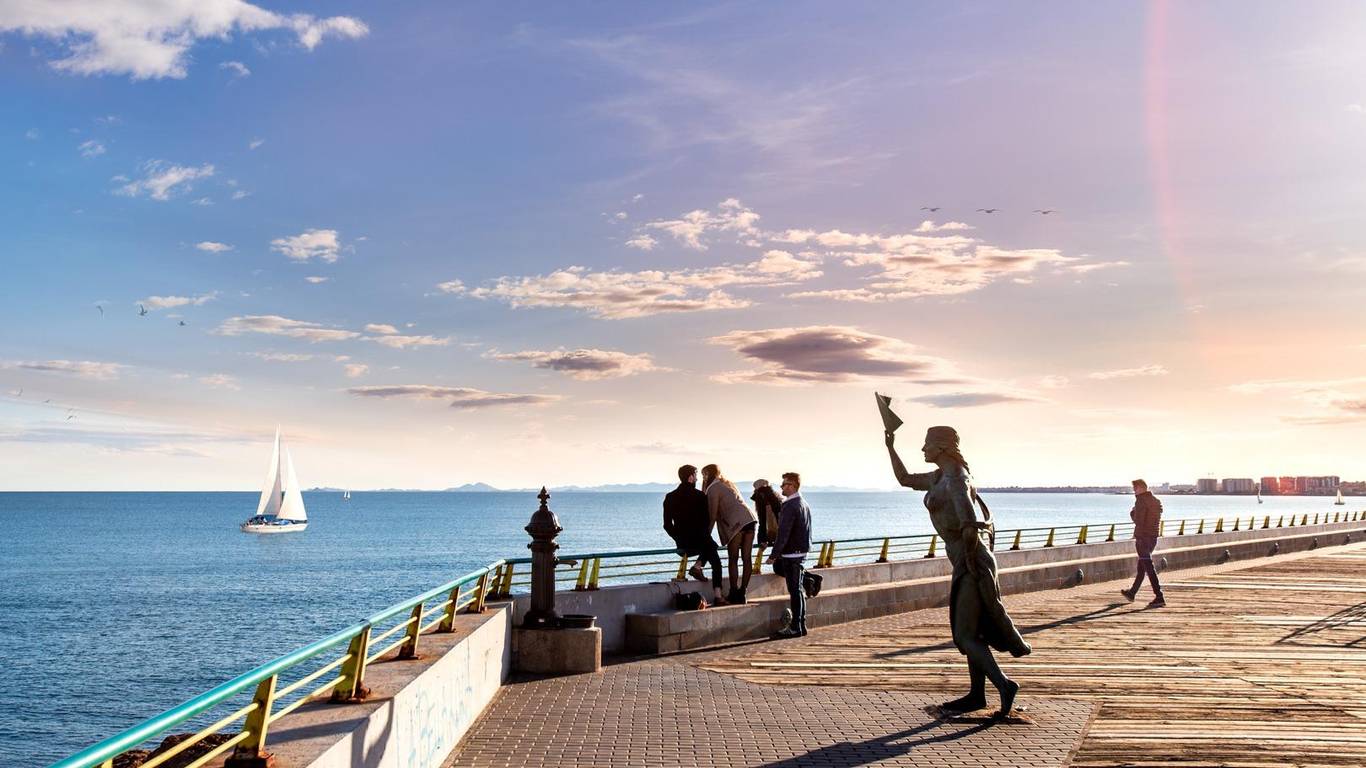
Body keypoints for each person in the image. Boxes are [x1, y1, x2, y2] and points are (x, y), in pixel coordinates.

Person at [886, 426, 1030, 718]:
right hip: (965, 559)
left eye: (927, 444)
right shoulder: (938, 477)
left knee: (964, 635)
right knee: (974, 631)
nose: (923, 449)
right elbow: (905, 479)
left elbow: (970, 525)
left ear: (941, 447)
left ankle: (1004, 685)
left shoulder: (956, 479)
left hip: (971, 561)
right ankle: (977, 695)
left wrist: (970, 565)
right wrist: (890, 446)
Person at [663, 464, 725, 605]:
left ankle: (698, 567)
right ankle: (717, 595)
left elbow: (667, 525)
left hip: (683, 544)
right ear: (691, 477)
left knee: (711, 547)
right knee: (715, 557)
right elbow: (706, 521)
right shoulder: (699, 496)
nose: (697, 478)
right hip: (700, 540)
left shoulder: (670, 497)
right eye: (696, 475)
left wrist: (678, 537)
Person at [702, 464, 759, 604]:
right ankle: (743, 593)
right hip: (749, 519)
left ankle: (734, 592)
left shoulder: (713, 488)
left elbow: (712, 515)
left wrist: (706, 536)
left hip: (736, 524)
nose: (703, 478)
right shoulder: (728, 484)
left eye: (704, 474)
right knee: (747, 558)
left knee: (733, 558)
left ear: (708, 474)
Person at [767, 472, 812, 638]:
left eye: (784, 484)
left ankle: (795, 628)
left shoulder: (789, 505)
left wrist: (774, 555)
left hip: (792, 554)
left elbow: (783, 533)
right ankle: (801, 625)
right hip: (802, 552)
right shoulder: (803, 503)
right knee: (798, 590)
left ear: (792, 485)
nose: (781, 487)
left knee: (795, 591)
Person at [1121, 478, 1165, 607]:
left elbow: (1139, 521)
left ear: (1140, 488)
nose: (1134, 491)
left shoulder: (1140, 500)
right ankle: (1132, 593)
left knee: (1149, 567)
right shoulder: (1156, 501)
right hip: (1153, 538)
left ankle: (1159, 596)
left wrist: (1132, 512)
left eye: (1135, 488)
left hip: (1142, 539)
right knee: (1142, 567)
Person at [751, 479, 783, 548]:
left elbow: (762, 522)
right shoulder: (775, 497)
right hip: (779, 535)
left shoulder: (761, 497)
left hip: (772, 533)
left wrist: (761, 540)